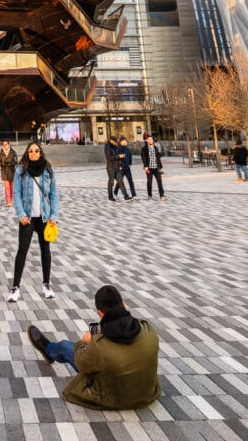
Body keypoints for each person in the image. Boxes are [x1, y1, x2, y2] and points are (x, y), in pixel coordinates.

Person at [26, 284, 161, 410]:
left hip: (115, 399)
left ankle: (48, 349)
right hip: (147, 395)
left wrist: (84, 342)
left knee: (65, 346)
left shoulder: (98, 346)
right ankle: (50, 350)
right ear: (124, 305)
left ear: (100, 313)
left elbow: (81, 362)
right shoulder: (148, 329)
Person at [8, 142, 58, 301]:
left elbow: (54, 195)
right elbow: (16, 194)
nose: (34, 153)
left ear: (40, 153)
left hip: (44, 217)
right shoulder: (21, 171)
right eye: (31, 151)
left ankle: (46, 284)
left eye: (36, 151)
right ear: (27, 153)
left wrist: (54, 216)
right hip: (28, 218)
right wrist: (21, 214)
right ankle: (15, 287)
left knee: (45, 250)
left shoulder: (48, 170)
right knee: (22, 250)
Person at [141, 135, 166, 201]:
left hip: (156, 168)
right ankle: (149, 195)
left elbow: (158, 158)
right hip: (149, 168)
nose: (150, 140)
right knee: (149, 182)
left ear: (152, 140)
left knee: (160, 182)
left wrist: (161, 167)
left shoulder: (155, 148)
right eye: (148, 139)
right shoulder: (144, 149)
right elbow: (143, 158)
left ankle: (162, 195)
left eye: (151, 139)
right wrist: (145, 166)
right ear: (146, 140)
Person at [104, 136, 126, 202]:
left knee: (121, 181)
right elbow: (109, 157)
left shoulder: (115, 147)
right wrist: (118, 156)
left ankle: (126, 196)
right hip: (111, 167)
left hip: (117, 167)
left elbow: (117, 156)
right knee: (111, 182)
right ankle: (110, 196)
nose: (115, 143)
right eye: (114, 142)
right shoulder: (107, 146)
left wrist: (120, 164)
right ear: (111, 140)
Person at [0, 140, 18, 206]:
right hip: (4, 172)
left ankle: (11, 200)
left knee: (12, 187)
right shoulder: (1, 153)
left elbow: (16, 161)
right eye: (3, 144)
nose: (5, 146)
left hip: (12, 171)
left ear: (9, 145)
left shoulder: (13, 152)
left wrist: (9, 163)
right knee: (7, 187)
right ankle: (8, 202)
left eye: (6, 144)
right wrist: (2, 163)